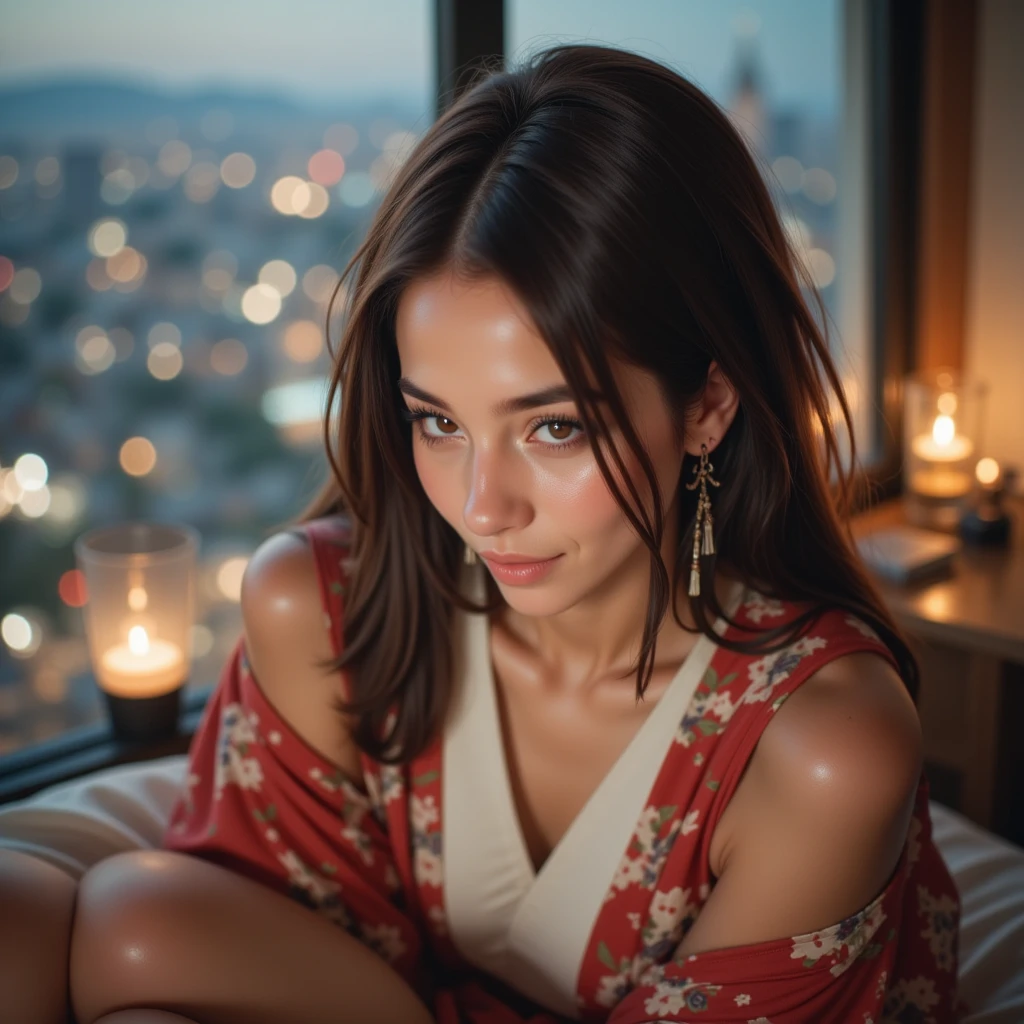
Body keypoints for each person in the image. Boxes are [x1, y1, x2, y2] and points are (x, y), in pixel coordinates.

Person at [59, 43, 965, 1024]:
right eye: (438, 421)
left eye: (554, 426)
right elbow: (235, 936)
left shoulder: (819, 749)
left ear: (707, 404)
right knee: (118, 919)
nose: (483, 505)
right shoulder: (328, 609)